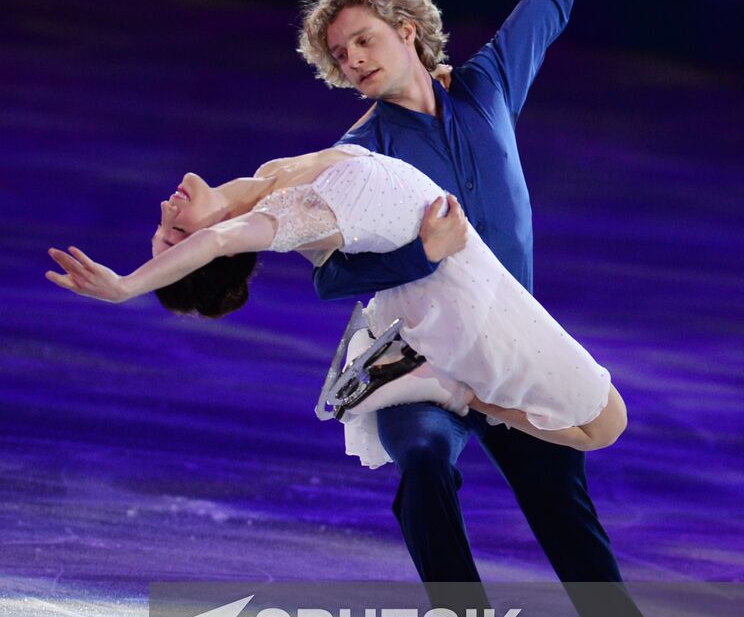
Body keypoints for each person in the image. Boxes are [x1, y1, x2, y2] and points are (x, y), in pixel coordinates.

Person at [293, 0, 712, 617]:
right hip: (419, 359)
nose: (353, 58)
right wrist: (415, 251)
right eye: (338, 52)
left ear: (408, 28)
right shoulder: (361, 154)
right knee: (424, 473)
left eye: (364, 38)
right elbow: (328, 275)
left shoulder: (485, 90)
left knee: (565, 502)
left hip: (507, 344)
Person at [44, 143, 627, 454]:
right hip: (462, 303)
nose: (167, 209)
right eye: (174, 234)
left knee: (600, 425)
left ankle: (449, 386)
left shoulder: (274, 174)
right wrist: (125, 287)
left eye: (165, 227)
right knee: (605, 425)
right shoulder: (280, 218)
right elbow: (221, 235)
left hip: (459, 274)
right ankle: (456, 390)